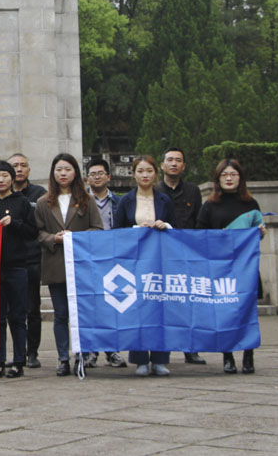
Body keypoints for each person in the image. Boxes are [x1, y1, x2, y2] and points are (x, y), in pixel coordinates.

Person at [36, 154, 103, 377]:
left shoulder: (87, 200)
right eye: (59, 170)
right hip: (55, 263)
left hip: (81, 265)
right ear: (53, 173)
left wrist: (75, 237)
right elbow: (38, 232)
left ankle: (81, 355)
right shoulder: (44, 202)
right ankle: (63, 357)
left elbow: (97, 229)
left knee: (81, 313)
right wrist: (53, 238)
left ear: (75, 172)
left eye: (67, 169)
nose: (63, 173)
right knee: (61, 313)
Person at [197, 159, 266, 375]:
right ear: (217, 179)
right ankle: (227, 356)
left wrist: (260, 233)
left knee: (247, 312)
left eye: (233, 174)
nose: (228, 178)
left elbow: (257, 231)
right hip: (221, 269)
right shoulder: (209, 206)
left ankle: (248, 354)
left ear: (240, 178)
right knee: (224, 313)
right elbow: (199, 235)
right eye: (224, 175)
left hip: (245, 268)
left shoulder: (251, 204)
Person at [115, 156, 177, 376]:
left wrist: (165, 225)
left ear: (156, 173)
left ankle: (160, 359)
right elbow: (117, 233)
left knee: (160, 310)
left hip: (160, 262)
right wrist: (135, 230)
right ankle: (140, 359)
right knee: (138, 310)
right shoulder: (125, 201)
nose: (145, 175)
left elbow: (177, 229)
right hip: (134, 263)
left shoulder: (164, 200)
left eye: (149, 171)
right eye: (140, 171)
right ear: (133, 174)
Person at [0, 161, 38, 379]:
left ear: (12, 178)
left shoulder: (23, 203)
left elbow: (33, 232)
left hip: (18, 268)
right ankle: (0, 362)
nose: (0, 180)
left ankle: (19, 361)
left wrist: (15, 223)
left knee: (18, 317)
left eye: (4, 175)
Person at [157, 147, 207, 366]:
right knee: (162, 304)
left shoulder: (193, 191)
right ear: (162, 165)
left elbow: (199, 222)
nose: (174, 163)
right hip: (161, 256)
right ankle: (162, 351)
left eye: (178, 160)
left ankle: (191, 348)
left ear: (184, 166)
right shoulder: (155, 191)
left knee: (189, 303)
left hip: (187, 255)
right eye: (169, 160)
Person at [82, 158, 128, 369]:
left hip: (113, 258)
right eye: (93, 174)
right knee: (90, 306)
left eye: (101, 173)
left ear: (108, 176)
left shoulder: (120, 201)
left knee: (112, 306)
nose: (97, 177)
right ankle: (91, 351)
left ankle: (112, 350)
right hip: (88, 258)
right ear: (87, 178)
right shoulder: (80, 202)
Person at [7, 153, 46, 368]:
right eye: (15, 166)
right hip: (10, 260)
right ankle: (17, 352)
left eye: (23, 165)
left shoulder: (40, 194)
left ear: (29, 170)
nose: (19, 169)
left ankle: (32, 352)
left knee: (33, 309)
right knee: (13, 311)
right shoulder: (3, 195)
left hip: (32, 259)